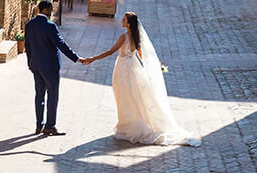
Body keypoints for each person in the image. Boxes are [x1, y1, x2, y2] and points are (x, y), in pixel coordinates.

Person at [81, 12, 200, 146]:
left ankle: (129, 126)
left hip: (123, 69)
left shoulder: (123, 37)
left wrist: (92, 59)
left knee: (124, 97)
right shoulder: (137, 37)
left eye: (124, 20)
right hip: (133, 67)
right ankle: (132, 124)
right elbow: (141, 55)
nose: (121, 21)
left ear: (129, 23)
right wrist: (155, 67)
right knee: (134, 96)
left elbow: (110, 52)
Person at [25, 0, 90, 136]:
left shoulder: (29, 24)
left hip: (36, 65)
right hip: (50, 67)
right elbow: (61, 44)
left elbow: (28, 46)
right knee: (52, 96)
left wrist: (30, 64)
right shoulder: (50, 26)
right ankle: (50, 126)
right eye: (50, 9)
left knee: (39, 95)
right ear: (46, 10)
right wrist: (77, 58)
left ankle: (39, 125)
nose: (52, 11)